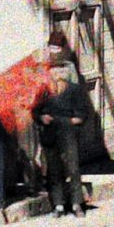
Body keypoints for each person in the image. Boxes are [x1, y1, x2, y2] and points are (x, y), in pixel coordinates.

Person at [35, 57, 88, 216]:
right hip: (50, 134)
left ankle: (76, 204)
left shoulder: (74, 90)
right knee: (54, 170)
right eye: (53, 70)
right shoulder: (43, 92)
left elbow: (82, 115)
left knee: (73, 168)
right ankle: (58, 205)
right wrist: (41, 118)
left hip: (68, 133)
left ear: (65, 72)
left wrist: (70, 121)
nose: (56, 74)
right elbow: (35, 111)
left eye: (60, 70)